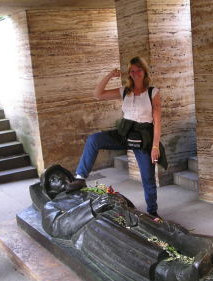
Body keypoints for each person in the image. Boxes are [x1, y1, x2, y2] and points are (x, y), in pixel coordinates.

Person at [66, 56, 167, 218]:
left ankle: (152, 212)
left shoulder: (152, 92)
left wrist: (155, 146)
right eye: (132, 71)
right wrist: (109, 75)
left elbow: (157, 120)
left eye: (139, 70)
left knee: (148, 177)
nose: (135, 73)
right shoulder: (124, 91)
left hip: (144, 136)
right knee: (94, 139)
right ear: (129, 73)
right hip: (124, 132)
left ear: (144, 71)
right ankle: (80, 177)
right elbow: (98, 94)